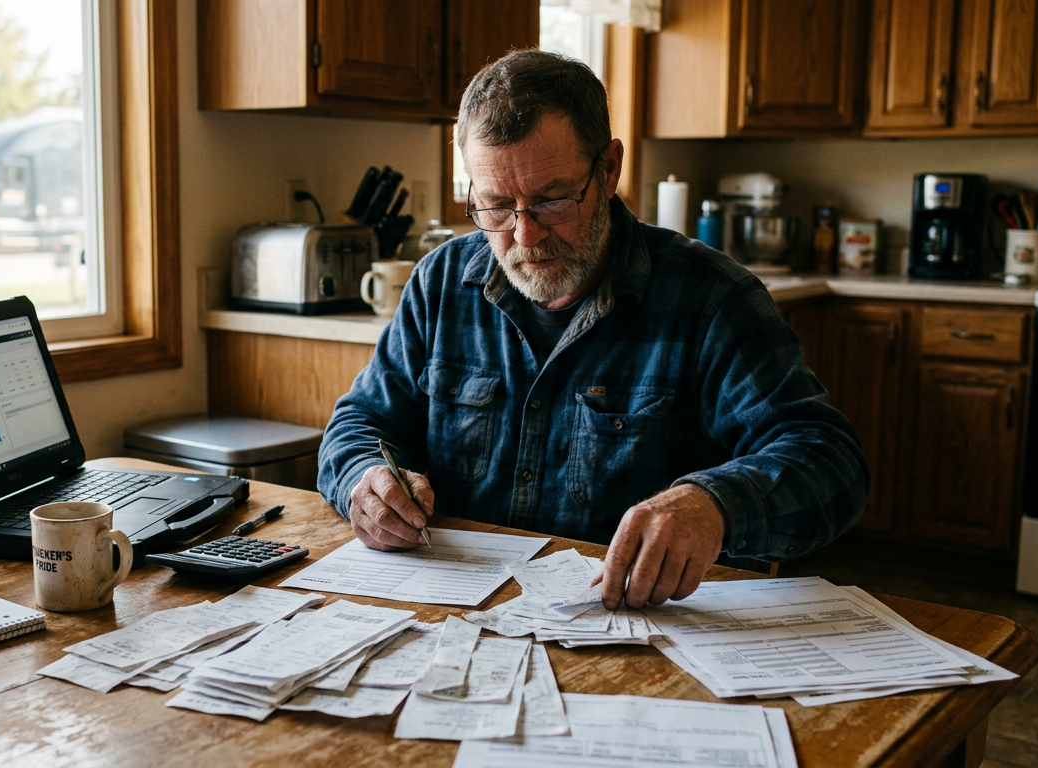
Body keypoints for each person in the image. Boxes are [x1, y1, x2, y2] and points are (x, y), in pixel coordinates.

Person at [317, 50, 867, 611]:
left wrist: (712, 505)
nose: (526, 236)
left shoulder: (711, 298)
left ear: (608, 170)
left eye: (553, 199)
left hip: (639, 627)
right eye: (497, 207)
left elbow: (830, 462)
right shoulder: (441, 283)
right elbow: (361, 422)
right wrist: (364, 479)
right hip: (460, 612)